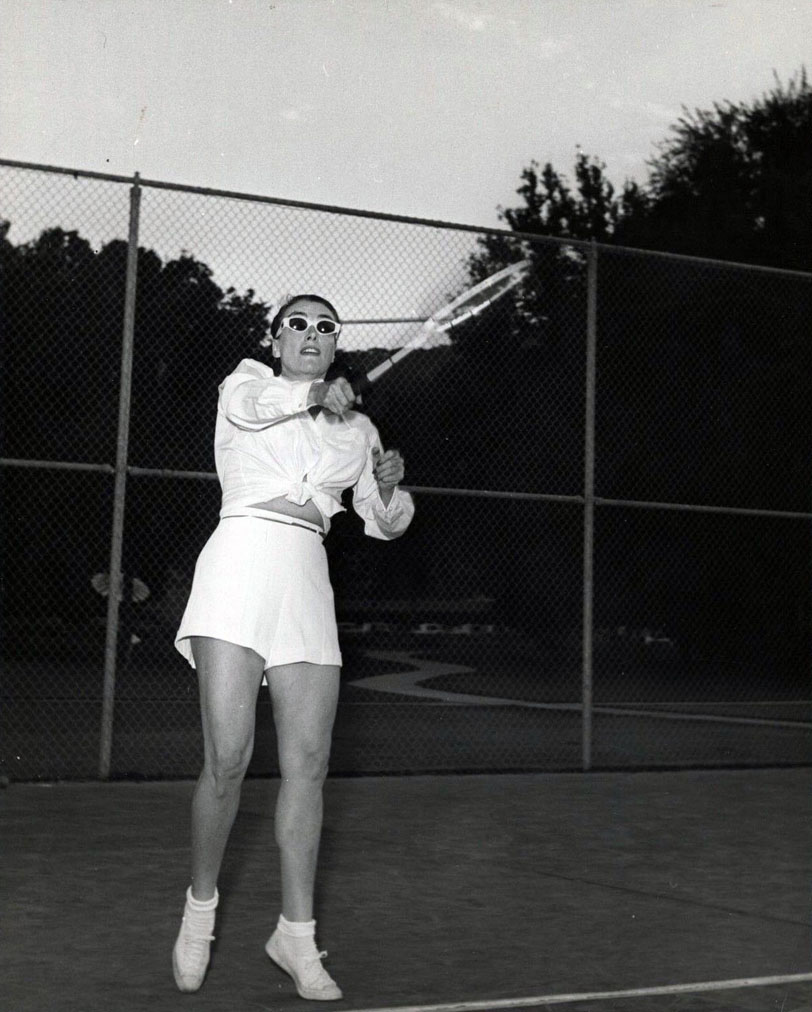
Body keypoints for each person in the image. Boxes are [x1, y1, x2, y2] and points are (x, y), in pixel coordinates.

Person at [171, 294, 414, 999]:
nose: (311, 334)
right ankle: (199, 914)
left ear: (338, 343)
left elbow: (382, 520)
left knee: (308, 764)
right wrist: (313, 395)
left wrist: (393, 491)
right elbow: (255, 411)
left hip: (307, 581)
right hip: (239, 567)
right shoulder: (246, 384)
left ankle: (296, 938)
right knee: (229, 758)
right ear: (276, 338)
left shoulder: (359, 428)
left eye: (325, 327)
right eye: (298, 325)